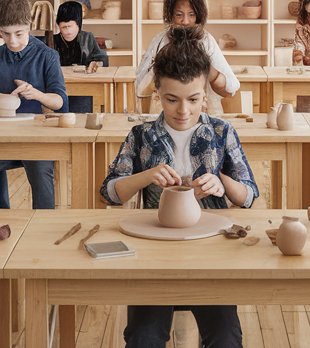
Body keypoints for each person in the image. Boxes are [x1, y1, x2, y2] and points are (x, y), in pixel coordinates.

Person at [101, 25, 257, 348]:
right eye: (171, 100)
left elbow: (248, 196)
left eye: (194, 99)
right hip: (153, 256)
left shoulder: (221, 132)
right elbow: (109, 192)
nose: (183, 111)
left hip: (211, 255)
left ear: (206, 94)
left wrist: (221, 182)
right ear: (157, 92)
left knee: (227, 339)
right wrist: (147, 176)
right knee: (143, 339)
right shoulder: (141, 136)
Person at [0, 0, 67, 209]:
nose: (13, 41)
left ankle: (42, 228)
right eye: (5, 34)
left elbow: (60, 102)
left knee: (41, 176)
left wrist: (36, 93)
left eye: (19, 33)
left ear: (29, 26)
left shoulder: (47, 55)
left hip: (34, 139)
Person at [135, 0, 237, 114]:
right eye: (179, 15)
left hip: (200, 115)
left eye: (191, 14)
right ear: (170, 15)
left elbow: (230, 89)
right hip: (166, 114)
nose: (185, 21)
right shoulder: (160, 41)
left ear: (199, 16)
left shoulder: (206, 42)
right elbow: (140, 86)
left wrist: (209, 71)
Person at [49, 0, 110, 113]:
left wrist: (96, 63)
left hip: (84, 90)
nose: (67, 31)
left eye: (70, 26)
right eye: (63, 27)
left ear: (78, 24)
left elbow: (102, 58)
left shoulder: (87, 38)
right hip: (59, 90)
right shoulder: (52, 41)